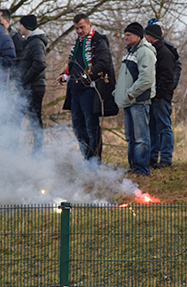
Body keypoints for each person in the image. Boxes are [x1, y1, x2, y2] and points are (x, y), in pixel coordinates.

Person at [56, 14, 118, 163]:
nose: (79, 31)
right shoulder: (78, 43)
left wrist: (84, 79)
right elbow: (74, 65)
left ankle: (95, 162)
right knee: (78, 128)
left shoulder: (98, 41)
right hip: (75, 92)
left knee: (91, 128)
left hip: (89, 92)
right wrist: (65, 76)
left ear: (90, 25)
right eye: (76, 28)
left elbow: (103, 64)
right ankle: (87, 159)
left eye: (82, 27)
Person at [113, 22, 157, 175]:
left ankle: (142, 170)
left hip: (139, 101)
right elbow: (125, 78)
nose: (125, 37)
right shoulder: (129, 52)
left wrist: (131, 93)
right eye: (125, 35)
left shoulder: (145, 52)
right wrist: (118, 93)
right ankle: (133, 168)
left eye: (128, 35)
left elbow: (146, 78)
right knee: (131, 138)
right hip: (129, 101)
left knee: (141, 138)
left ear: (138, 36)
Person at [145, 23, 175, 168]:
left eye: (146, 35)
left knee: (164, 127)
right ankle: (152, 157)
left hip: (161, 97)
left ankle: (166, 158)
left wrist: (159, 94)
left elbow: (168, 77)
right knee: (153, 128)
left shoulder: (163, 52)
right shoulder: (155, 51)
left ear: (151, 36)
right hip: (155, 96)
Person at [17, 15, 48, 155]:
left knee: (35, 121)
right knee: (15, 118)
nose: (19, 28)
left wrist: (24, 79)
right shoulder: (29, 42)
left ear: (27, 26)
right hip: (27, 87)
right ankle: (10, 150)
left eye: (21, 25)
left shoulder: (36, 42)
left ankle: (37, 153)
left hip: (34, 88)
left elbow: (40, 63)